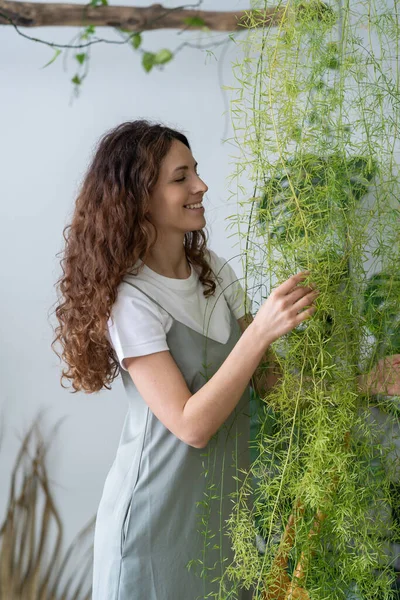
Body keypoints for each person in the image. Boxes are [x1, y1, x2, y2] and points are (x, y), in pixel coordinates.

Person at [51, 120, 399, 600]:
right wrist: (259, 331)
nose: (201, 185)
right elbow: (191, 425)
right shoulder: (132, 301)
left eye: (195, 171)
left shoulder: (215, 271)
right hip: (156, 525)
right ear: (138, 197)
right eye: (181, 178)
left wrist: (367, 381)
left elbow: (272, 386)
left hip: (223, 526)